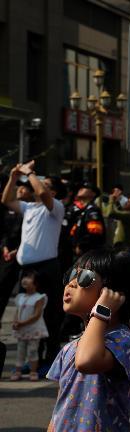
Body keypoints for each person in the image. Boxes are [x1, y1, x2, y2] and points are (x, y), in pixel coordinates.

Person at [47, 249, 130, 432]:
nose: (71, 284)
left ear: (112, 293)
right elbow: (59, 410)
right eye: (70, 275)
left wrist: (101, 312)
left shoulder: (122, 341)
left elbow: (87, 361)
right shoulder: (71, 347)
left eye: (84, 277)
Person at [1, 160, 65, 367]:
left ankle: (50, 358)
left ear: (54, 192)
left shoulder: (55, 207)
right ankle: (32, 359)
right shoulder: (29, 207)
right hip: (27, 271)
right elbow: (6, 199)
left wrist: (29, 173)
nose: (38, 185)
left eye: (45, 183)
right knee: (27, 312)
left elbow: (44, 194)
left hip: (46, 268)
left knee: (48, 314)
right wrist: (13, 176)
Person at [10, 269, 48, 381]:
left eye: (29, 278)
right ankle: (18, 371)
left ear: (36, 283)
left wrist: (21, 323)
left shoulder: (39, 297)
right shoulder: (20, 297)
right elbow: (17, 312)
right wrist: (15, 322)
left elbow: (36, 315)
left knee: (32, 351)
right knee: (20, 351)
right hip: (21, 330)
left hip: (33, 330)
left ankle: (33, 371)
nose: (25, 280)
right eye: (25, 277)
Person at [0, 175, 24, 325]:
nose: (19, 190)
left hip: (16, 256)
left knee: (3, 291)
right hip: (4, 251)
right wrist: (3, 246)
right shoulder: (4, 208)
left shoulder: (27, 208)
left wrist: (15, 250)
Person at [67, 182, 106, 257]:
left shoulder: (92, 210)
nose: (81, 189)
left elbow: (95, 233)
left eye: (86, 187)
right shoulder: (83, 211)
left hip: (88, 254)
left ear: (93, 194)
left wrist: (81, 246)